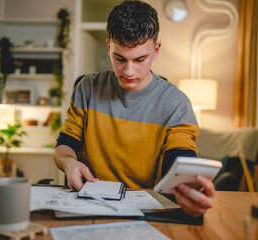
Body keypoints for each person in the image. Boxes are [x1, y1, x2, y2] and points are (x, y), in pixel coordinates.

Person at [54, 0, 215, 217]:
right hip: (91, 204)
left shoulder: (177, 103)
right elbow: (65, 145)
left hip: (147, 210)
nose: (129, 71)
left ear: (156, 51)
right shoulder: (87, 88)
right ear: (108, 46)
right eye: (119, 58)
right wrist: (69, 162)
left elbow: (179, 163)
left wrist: (190, 193)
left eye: (140, 59)